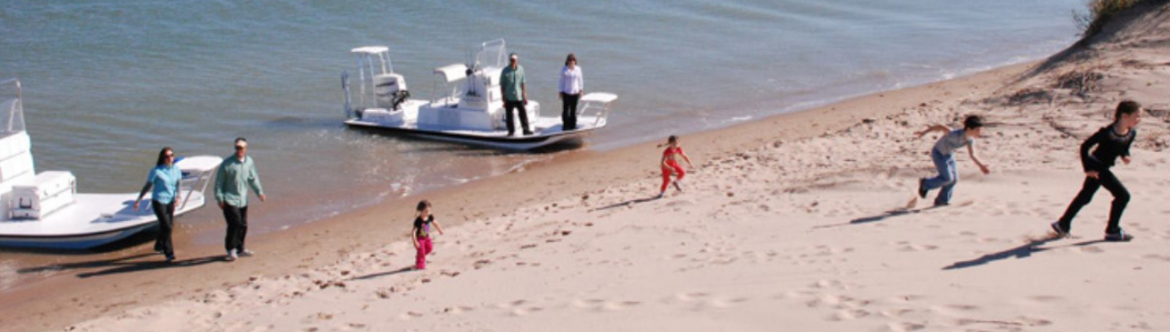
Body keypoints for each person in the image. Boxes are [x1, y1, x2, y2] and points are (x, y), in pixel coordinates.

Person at [1051, 101, 1141, 242]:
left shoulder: (1131, 133)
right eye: (1136, 116)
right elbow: (1085, 147)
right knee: (1123, 196)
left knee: (1085, 196)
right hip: (1097, 167)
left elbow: (1124, 146)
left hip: (1104, 167)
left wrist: (1125, 155)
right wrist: (1088, 169)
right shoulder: (1106, 133)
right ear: (1124, 116)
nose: (1139, 120)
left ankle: (1063, 224)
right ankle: (1112, 230)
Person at [915, 115, 991, 206]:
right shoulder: (954, 134)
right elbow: (940, 126)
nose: (979, 133)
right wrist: (924, 132)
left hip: (949, 155)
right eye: (977, 130)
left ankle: (941, 201)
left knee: (954, 180)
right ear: (969, 129)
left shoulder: (970, 140)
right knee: (947, 178)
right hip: (938, 154)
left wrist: (981, 166)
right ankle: (925, 184)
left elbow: (972, 154)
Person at [214, 137, 266, 262]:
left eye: (241, 148)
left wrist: (259, 192)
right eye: (237, 147)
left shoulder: (249, 162)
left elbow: (253, 178)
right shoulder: (227, 164)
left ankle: (240, 248)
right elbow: (219, 183)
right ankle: (231, 249)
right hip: (229, 199)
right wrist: (219, 198)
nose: (239, 150)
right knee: (234, 223)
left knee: (243, 225)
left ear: (246, 149)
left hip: (243, 199)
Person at [133, 147, 182, 262]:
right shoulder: (156, 171)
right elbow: (148, 186)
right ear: (162, 158)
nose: (170, 158)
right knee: (167, 226)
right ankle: (169, 253)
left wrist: (179, 197)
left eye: (171, 155)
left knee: (167, 225)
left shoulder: (176, 169)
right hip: (158, 201)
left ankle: (158, 245)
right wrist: (139, 199)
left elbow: (179, 184)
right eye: (167, 156)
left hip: (170, 201)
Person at [500, 52, 533, 137]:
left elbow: (523, 82)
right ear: (509, 60)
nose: (513, 61)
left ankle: (526, 130)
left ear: (517, 60)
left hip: (519, 96)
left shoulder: (521, 69)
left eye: (514, 60)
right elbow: (502, 84)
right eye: (511, 60)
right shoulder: (505, 71)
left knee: (523, 113)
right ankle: (511, 131)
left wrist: (524, 94)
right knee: (509, 115)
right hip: (509, 96)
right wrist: (503, 96)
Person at [411, 200, 444, 270]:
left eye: (429, 211)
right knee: (421, 251)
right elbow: (413, 231)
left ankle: (420, 256)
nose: (428, 213)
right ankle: (420, 265)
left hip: (426, 237)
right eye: (426, 211)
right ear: (421, 211)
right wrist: (415, 241)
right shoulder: (418, 220)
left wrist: (439, 229)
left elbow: (435, 223)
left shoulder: (429, 216)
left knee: (429, 248)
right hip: (419, 238)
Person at [558, 53, 584, 131]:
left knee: (573, 110)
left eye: (573, 61)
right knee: (566, 110)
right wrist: (560, 91)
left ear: (575, 62)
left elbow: (580, 80)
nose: (571, 63)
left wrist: (581, 89)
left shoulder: (578, 69)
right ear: (567, 62)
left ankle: (573, 125)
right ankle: (565, 125)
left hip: (575, 92)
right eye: (570, 61)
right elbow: (561, 81)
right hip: (566, 92)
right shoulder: (564, 69)